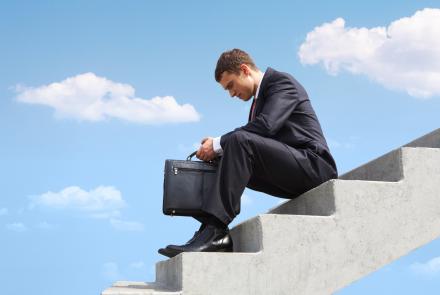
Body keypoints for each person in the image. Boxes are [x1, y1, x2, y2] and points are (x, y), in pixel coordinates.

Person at [158, 48, 337, 258]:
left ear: (244, 70)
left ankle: (215, 230)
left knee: (237, 142)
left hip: (315, 167)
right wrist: (218, 149)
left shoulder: (281, 83)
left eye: (231, 86)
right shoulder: (258, 101)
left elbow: (266, 127)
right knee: (226, 152)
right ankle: (208, 229)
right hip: (294, 170)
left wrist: (217, 142)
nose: (231, 94)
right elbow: (253, 140)